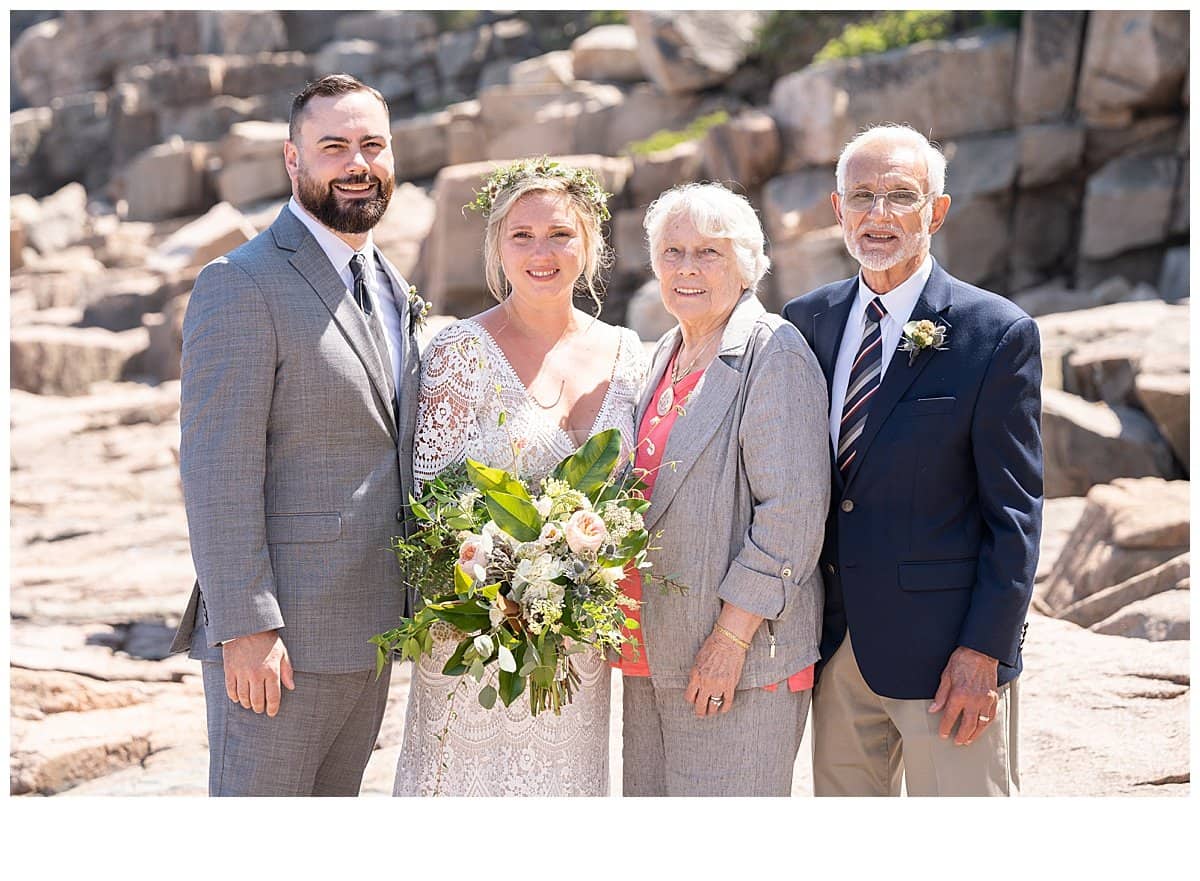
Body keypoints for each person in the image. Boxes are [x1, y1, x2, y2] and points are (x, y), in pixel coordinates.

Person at [170, 74, 421, 796]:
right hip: (278, 646)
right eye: (333, 146)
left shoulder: (390, 285)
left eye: (372, 145)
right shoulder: (239, 283)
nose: (356, 164)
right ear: (292, 159)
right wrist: (246, 627)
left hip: (368, 635)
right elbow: (217, 469)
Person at [782, 123, 1043, 796]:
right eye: (862, 195)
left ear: (938, 210)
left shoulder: (996, 333)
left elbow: (1015, 513)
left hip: (947, 660)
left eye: (902, 195)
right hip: (835, 653)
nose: (879, 214)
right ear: (837, 210)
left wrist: (985, 651)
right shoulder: (804, 323)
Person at [392, 157, 646, 796]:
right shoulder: (458, 352)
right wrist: (503, 584)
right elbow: (430, 505)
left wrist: (573, 578)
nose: (542, 252)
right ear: (497, 247)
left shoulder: (629, 353)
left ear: (590, 243)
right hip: (475, 640)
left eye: (561, 234)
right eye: (522, 236)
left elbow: (639, 495)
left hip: (579, 645)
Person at [614, 183, 829, 796]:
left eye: (708, 252)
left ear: (747, 263)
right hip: (651, 652)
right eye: (672, 251)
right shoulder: (666, 352)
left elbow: (791, 516)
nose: (686, 268)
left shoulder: (774, 351)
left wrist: (730, 641)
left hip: (736, 657)